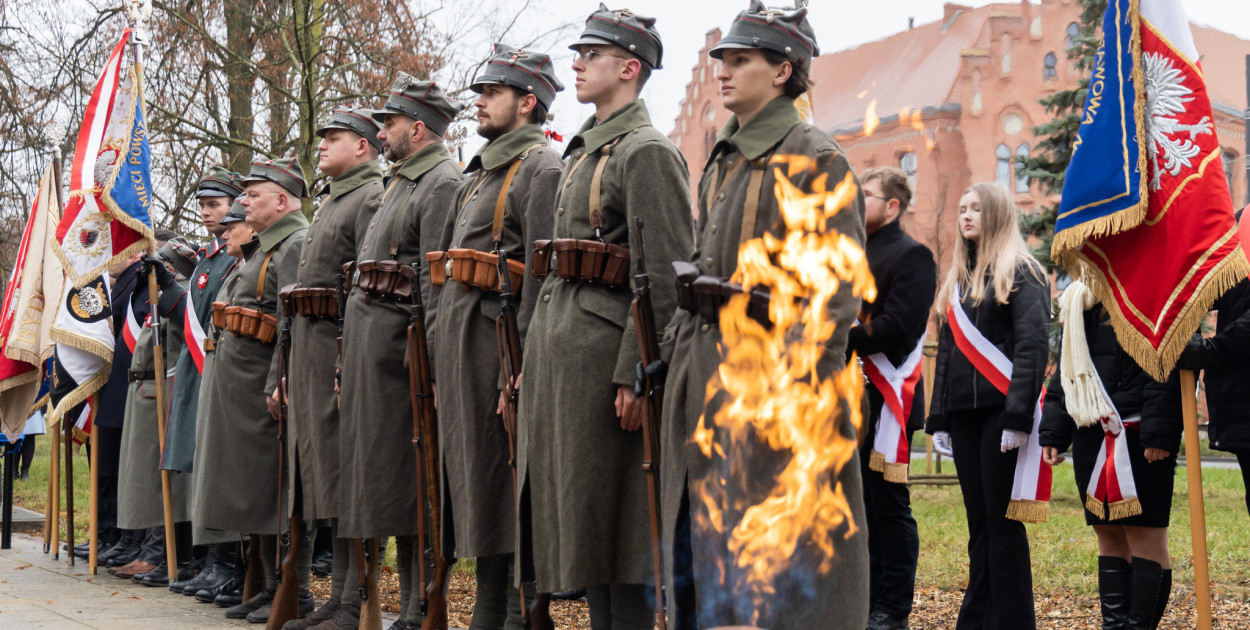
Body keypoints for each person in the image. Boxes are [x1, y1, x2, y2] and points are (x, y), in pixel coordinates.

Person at [657, 2, 868, 627]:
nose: (723, 71)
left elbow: (835, 295)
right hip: (704, 380)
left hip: (775, 390)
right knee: (703, 555)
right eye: (721, 59)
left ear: (783, 72)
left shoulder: (811, 155)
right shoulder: (721, 157)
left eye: (740, 60)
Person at [517, 5, 691, 629]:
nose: (577, 64)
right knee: (589, 532)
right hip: (564, 356)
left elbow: (667, 274)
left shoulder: (646, 153)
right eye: (579, 53)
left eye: (591, 55)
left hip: (607, 364)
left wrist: (639, 372)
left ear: (629, 67)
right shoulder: (587, 150)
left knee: (621, 535)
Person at [431, 44, 562, 630]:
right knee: (479, 486)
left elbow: (542, 277)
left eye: (493, 93)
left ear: (527, 102)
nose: (479, 102)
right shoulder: (479, 173)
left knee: (506, 485)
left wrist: (523, 366)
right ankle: (490, 609)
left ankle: (515, 612)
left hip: (501, 348)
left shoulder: (540, 168)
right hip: (465, 349)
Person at [338, 74, 463, 630]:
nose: (382, 132)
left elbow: (436, 280)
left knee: (417, 485)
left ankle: (419, 606)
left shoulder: (438, 182)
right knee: (387, 482)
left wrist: (432, 361)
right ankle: (399, 605)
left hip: (405, 354)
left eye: (388, 124)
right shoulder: (399, 183)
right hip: (378, 351)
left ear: (417, 127)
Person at [193, 157, 313, 624]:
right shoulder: (266, 247)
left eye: (253, 194)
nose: (242, 202)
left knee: (277, 491)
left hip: (265, 389)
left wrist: (277, 380)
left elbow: (291, 322)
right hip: (243, 390)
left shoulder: (293, 245)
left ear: (282, 200)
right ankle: (271, 585)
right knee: (255, 490)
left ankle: (294, 589)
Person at [926, 182, 1050, 629]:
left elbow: (1032, 349)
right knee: (978, 524)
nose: (966, 216)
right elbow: (946, 357)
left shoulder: (1023, 271)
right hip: (964, 416)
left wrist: (1017, 418)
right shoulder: (956, 280)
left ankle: (1013, 622)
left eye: (976, 208)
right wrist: (939, 418)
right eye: (961, 209)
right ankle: (978, 619)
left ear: (996, 213)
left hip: (1001, 414)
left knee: (1002, 525)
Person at [279, 106, 385, 630]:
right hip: (313, 347)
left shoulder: (369, 197)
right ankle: (336, 596)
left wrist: (347, 357)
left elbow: (364, 285)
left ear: (363, 145)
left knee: (348, 478)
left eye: (334, 137)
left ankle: (353, 600)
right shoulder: (334, 200)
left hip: (341, 349)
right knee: (326, 478)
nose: (321, 145)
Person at [1040, 281, 1181, 630]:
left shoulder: (1155, 289)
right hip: (1090, 429)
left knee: (1145, 533)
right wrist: (1054, 430)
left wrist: (1160, 431)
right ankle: (1115, 626)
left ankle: (1139, 627)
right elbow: (1068, 370)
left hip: (1140, 434)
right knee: (1108, 532)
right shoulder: (1079, 298)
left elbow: (1166, 366)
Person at [847, 167, 936, 630]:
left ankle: (892, 605)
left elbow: (899, 326)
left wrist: (842, 338)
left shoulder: (912, 256)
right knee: (856, 504)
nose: (857, 203)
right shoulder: (848, 251)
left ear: (893, 205)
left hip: (887, 400)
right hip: (846, 399)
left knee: (888, 505)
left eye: (866, 196)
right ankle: (864, 595)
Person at [154, 167, 247, 598]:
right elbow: (189, 316)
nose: (208, 214)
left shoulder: (232, 254)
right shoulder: (209, 257)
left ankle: (226, 563)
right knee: (205, 467)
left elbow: (210, 318)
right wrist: (166, 286)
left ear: (235, 206)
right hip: (198, 367)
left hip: (218, 368)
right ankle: (213, 561)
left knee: (221, 468)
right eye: (204, 207)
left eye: (217, 206)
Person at [116, 232, 201, 588]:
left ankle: (161, 554)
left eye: (165, 264)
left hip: (163, 390)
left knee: (165, 482)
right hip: (146, 389)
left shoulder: (178, 299)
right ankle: (149, 550)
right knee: (147, 480)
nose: (158, 270)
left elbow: (182, 346)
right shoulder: (158, 298)